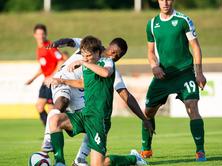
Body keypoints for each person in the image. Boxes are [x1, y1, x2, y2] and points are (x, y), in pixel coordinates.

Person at [42, 37, 153, 166]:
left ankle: (134, 158)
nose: (85, 58)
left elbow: (106, 73)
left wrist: (144, 118)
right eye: (84, 55)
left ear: (97, 53)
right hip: (85, 115)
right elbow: (83, 83)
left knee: (98, 164)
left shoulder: (107, 62)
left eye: (88, 56)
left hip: (99, 120)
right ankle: (60, 162)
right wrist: (61, 81)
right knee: (54, 119)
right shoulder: (88, 60)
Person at [140, 0, 207, 161]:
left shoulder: (184, 20)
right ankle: (146, 149)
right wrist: (154, 66)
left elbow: (195, 47)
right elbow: (150, 52)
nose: (166, 2)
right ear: (157, 1)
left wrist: (199, 73)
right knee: (148, 112)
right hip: (163, 75)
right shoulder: (152, 24)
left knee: (192, 107)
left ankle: (200, 151)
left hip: (184, 73)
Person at [25, 24, 64, 126]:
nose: (40, 36)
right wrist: (32, 79)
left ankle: (53, 130)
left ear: (45, 35)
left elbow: (61, 61)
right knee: (39, 106)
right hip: (45, 81)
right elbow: (43, 68)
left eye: (42, 34)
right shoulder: (39, 49)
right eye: (38, 33)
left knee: (52, 109)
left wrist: (52, 76)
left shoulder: (50, 46)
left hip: (52, 81)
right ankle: (50, 129)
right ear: (34, 35)